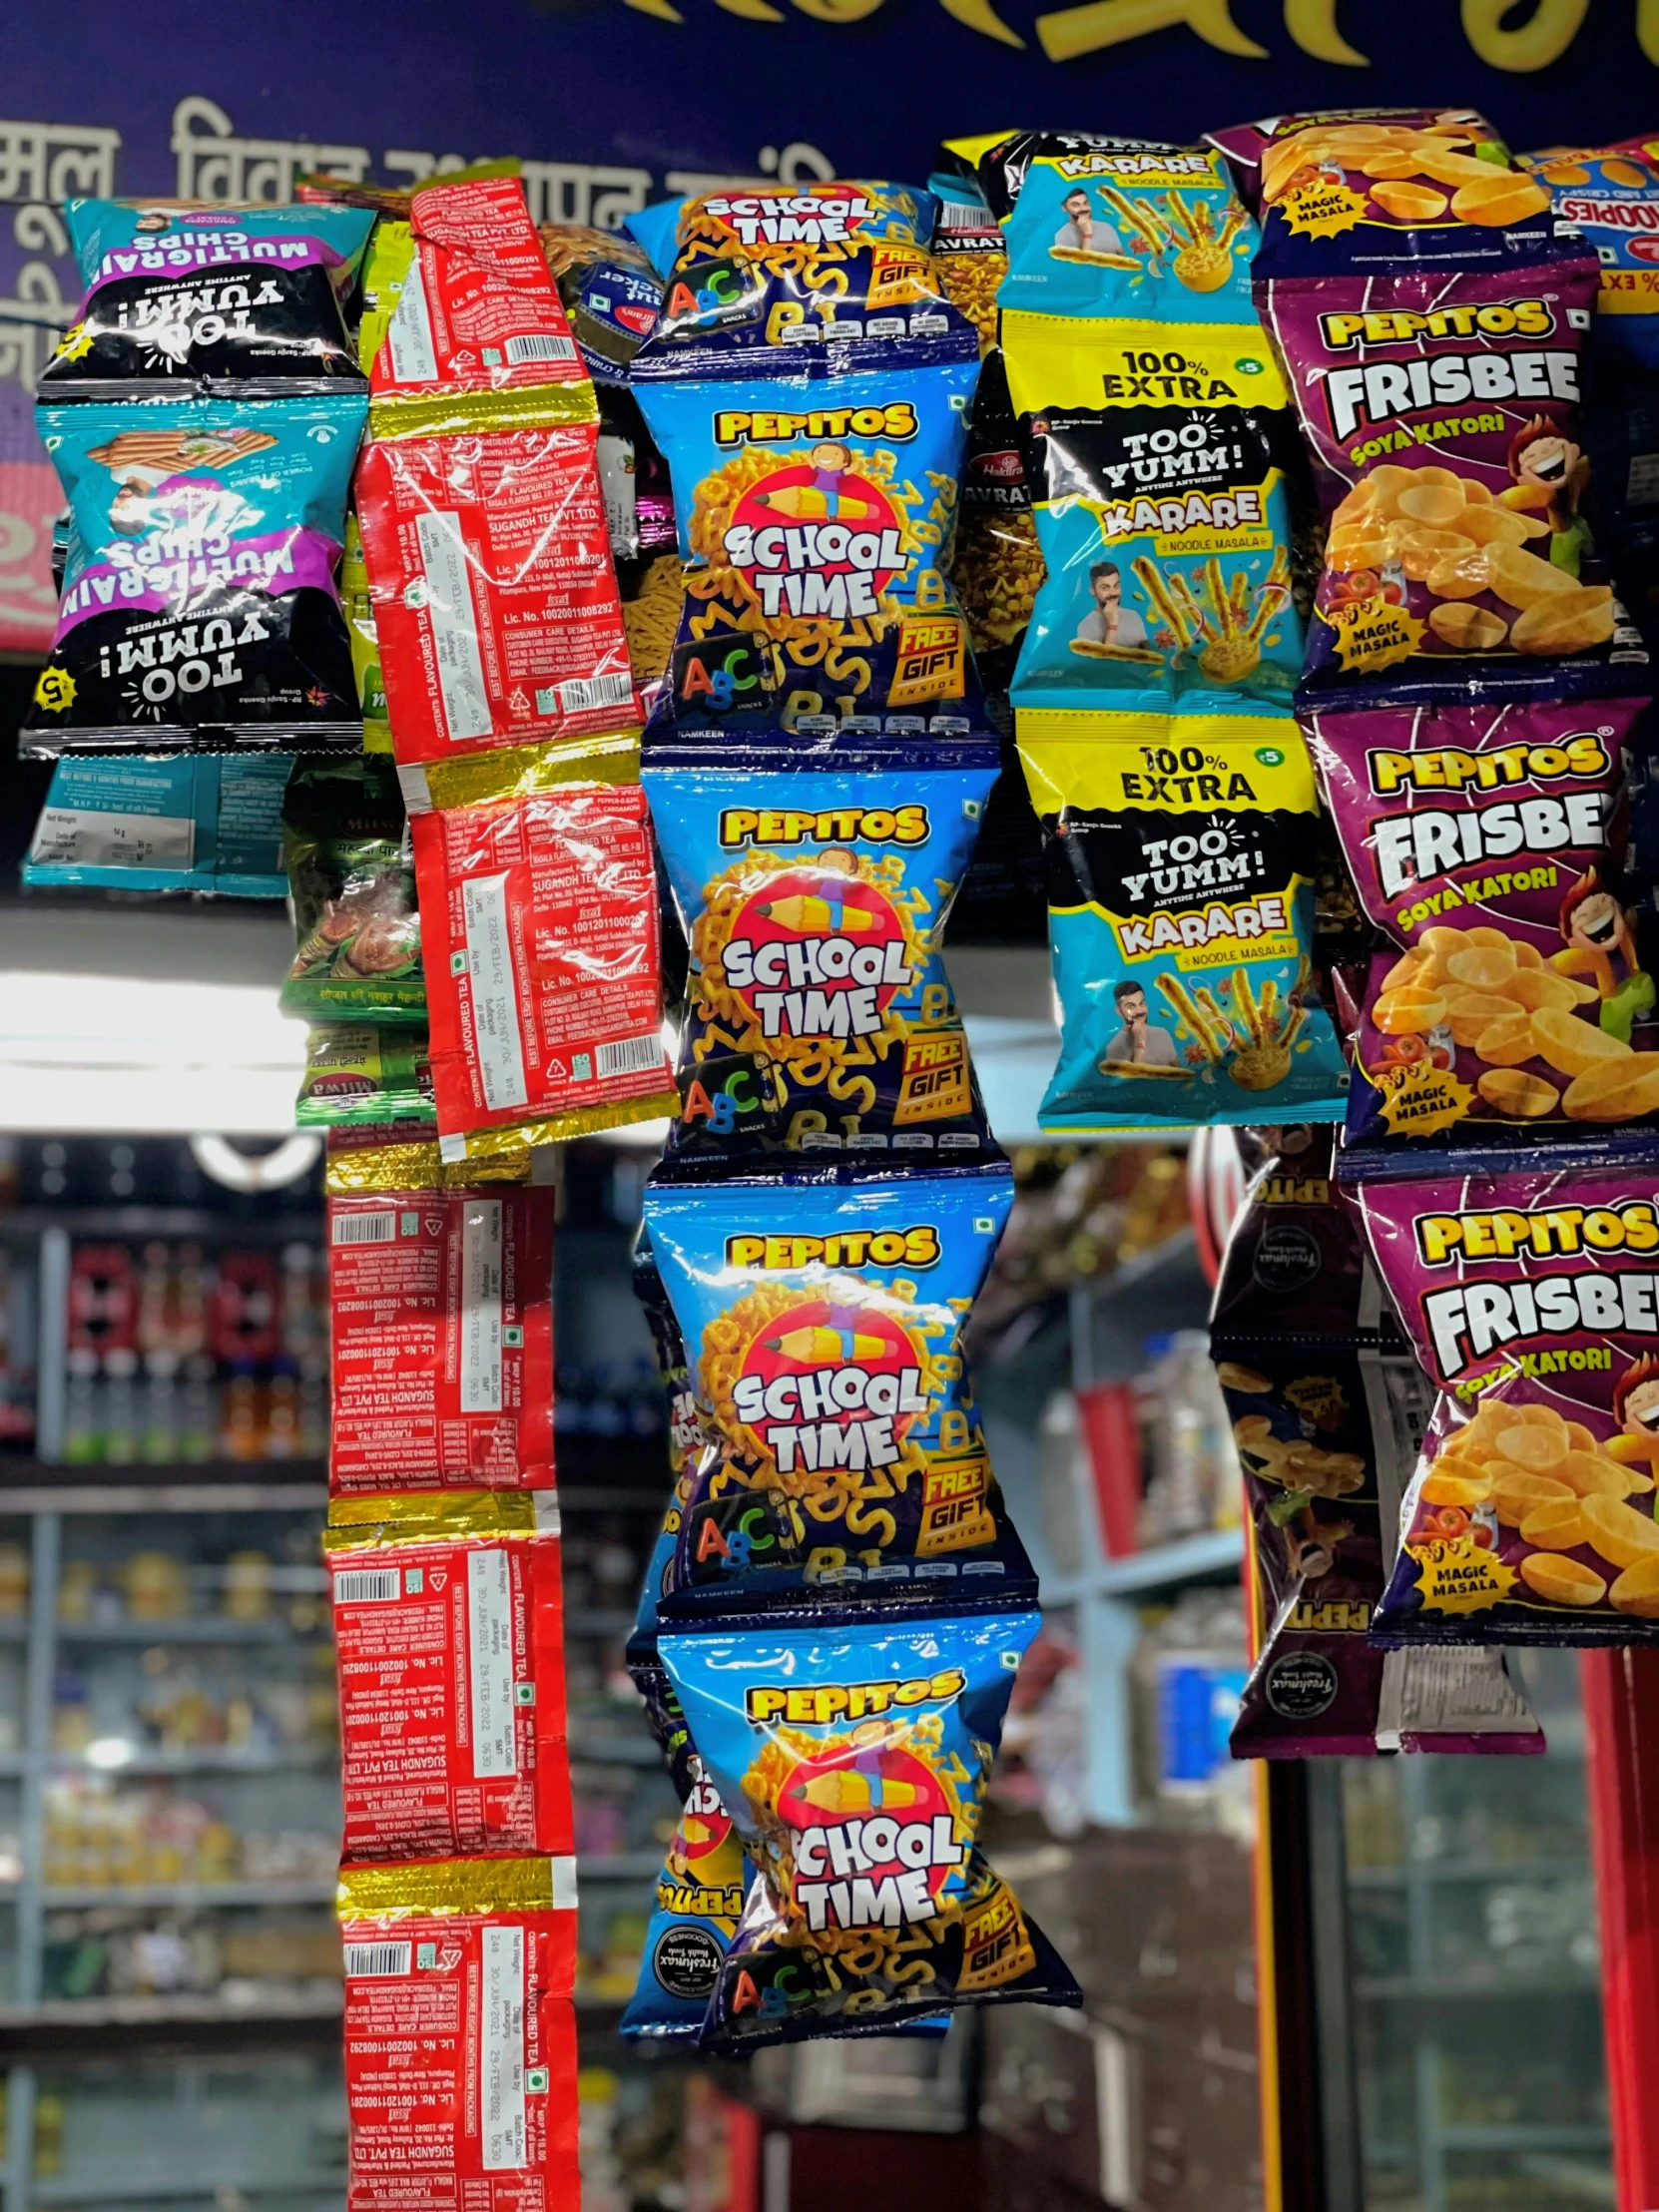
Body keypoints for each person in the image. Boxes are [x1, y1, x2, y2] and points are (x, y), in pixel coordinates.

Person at [1102, 979, 1180, 1067]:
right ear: (1119, 1011)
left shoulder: (1162, 1033)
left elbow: (1180, 1072)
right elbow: (1133, 1080)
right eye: (1131, 1006)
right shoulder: (1114, 1048)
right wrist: (1139, 1044)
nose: (1139, 1011)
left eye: (1141, 1003)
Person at [1074, 561, 1147, 648]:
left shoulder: (1133, 616)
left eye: (1116, 586)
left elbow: (1149, 655)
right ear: (1092, 591)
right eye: (1105, 587)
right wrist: (1112, 625)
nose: (1113, 592)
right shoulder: (1086, 626)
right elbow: (1106, 660)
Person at [1052, 188, 1122, 258]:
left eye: (1085, 203)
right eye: (1076, 205)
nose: (1083, 208)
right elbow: (1083, 266)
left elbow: (1123, 258)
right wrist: (1087, 234)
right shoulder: (1061, 235)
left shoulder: (1106, 227)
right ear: (1064, 208)